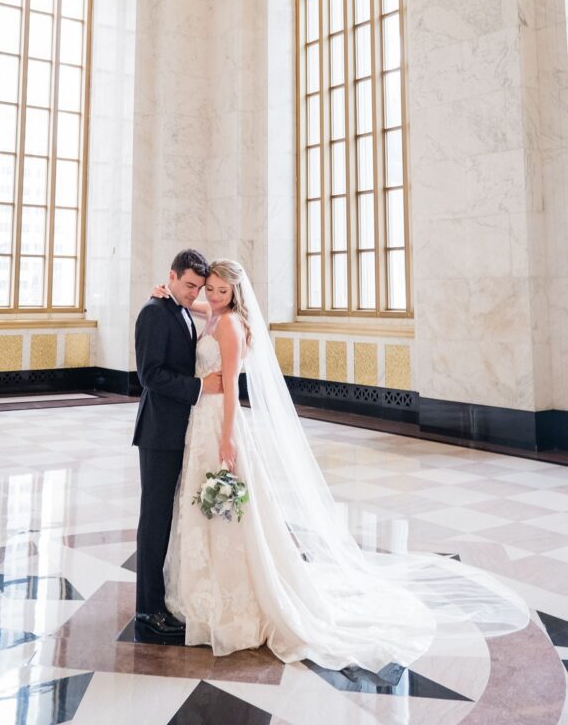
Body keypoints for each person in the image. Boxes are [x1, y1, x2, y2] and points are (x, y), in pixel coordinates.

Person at [154, 259, 529, 671]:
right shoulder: (214, 314)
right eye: (208, 289)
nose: (211, 296)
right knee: (205, 507)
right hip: (200, 421)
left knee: (230, 512)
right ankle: (204, 588)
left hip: (218, 423)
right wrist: (167, 294)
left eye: (220, 291)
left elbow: (230, 391)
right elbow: (193, 308)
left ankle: (234, 598)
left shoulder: (228, 325)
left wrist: (227, 438)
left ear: (236, 293)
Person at [132, 249, 223, 641]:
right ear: (171, 276)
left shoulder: (182, 308)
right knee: (154, 520)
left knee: (167, 517)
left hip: (180, 430)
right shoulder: (154, 313)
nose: (193, 293)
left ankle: (161, 599)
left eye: (199, 288)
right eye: (188, 285)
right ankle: (147, 609)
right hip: (158, 432)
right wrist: (200, 388)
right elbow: (149, 375)